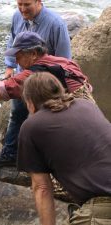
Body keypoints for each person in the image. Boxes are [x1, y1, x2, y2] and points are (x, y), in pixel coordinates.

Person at [17, 72, 111, 225]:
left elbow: (42, 188)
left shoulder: (31, 126)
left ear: (30, 102)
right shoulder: (86, 105)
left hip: (102, 208)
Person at [0, 0, 71, 168]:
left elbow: (64, 60)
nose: (22, 9)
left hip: (46, 83)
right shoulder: (17, 17)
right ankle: (10, 153)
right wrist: (10, 65)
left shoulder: (56, 24)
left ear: (39, 2)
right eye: (19, 4)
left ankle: (45, 159)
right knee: (17, 112)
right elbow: (13, 42)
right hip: (23, 75)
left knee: (44, 120)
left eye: (27, 4)